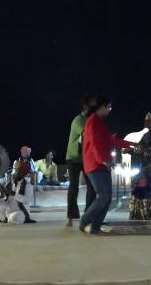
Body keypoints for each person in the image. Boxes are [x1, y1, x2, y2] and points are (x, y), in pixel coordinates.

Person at [80, 95, 136, 235]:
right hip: (95, 164)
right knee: (103, 195)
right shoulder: (92, 121)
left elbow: (111, 140)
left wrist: (132, 144)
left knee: (107, 197)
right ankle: (85, 220)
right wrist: (102, 160)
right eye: (109, 107)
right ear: (102, 107)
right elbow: (93, 143)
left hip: (103, 165)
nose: (110, 110)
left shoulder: (99, 122)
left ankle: (95, 228)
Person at [65, 95, 97, 227]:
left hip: (86, 158)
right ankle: (70, 216)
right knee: (74, 187)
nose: (94, 108)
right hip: (74, 158)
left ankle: (88, 215)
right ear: (85, 107)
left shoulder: (92, 119)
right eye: (92, 105)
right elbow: (86, 134)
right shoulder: (78, 120)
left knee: (92, 187)